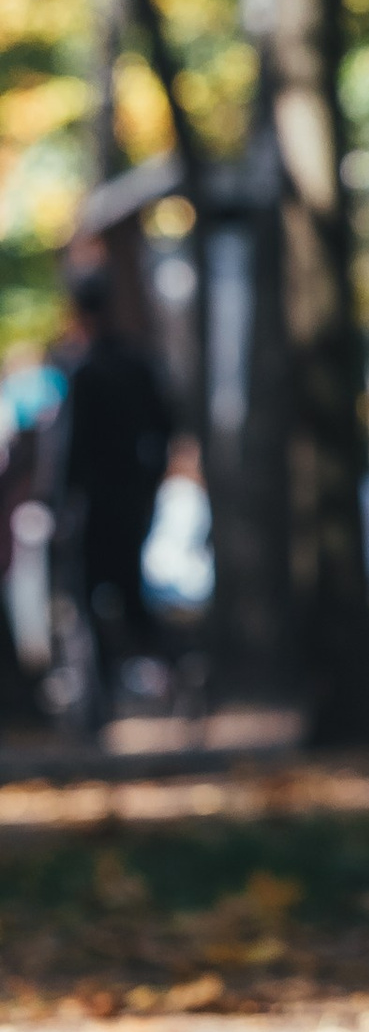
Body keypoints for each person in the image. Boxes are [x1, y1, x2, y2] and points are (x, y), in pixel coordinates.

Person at [57, 263, 174, 731]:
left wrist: (60, 501)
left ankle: (102, 702)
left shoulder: (82, 369)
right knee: (128, 596)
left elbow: (69, 447)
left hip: (95, 505)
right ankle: (164, 681)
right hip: (127, 500)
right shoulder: (134, 362)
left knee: (92, 598)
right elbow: (165, 429)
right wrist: (149, 484)